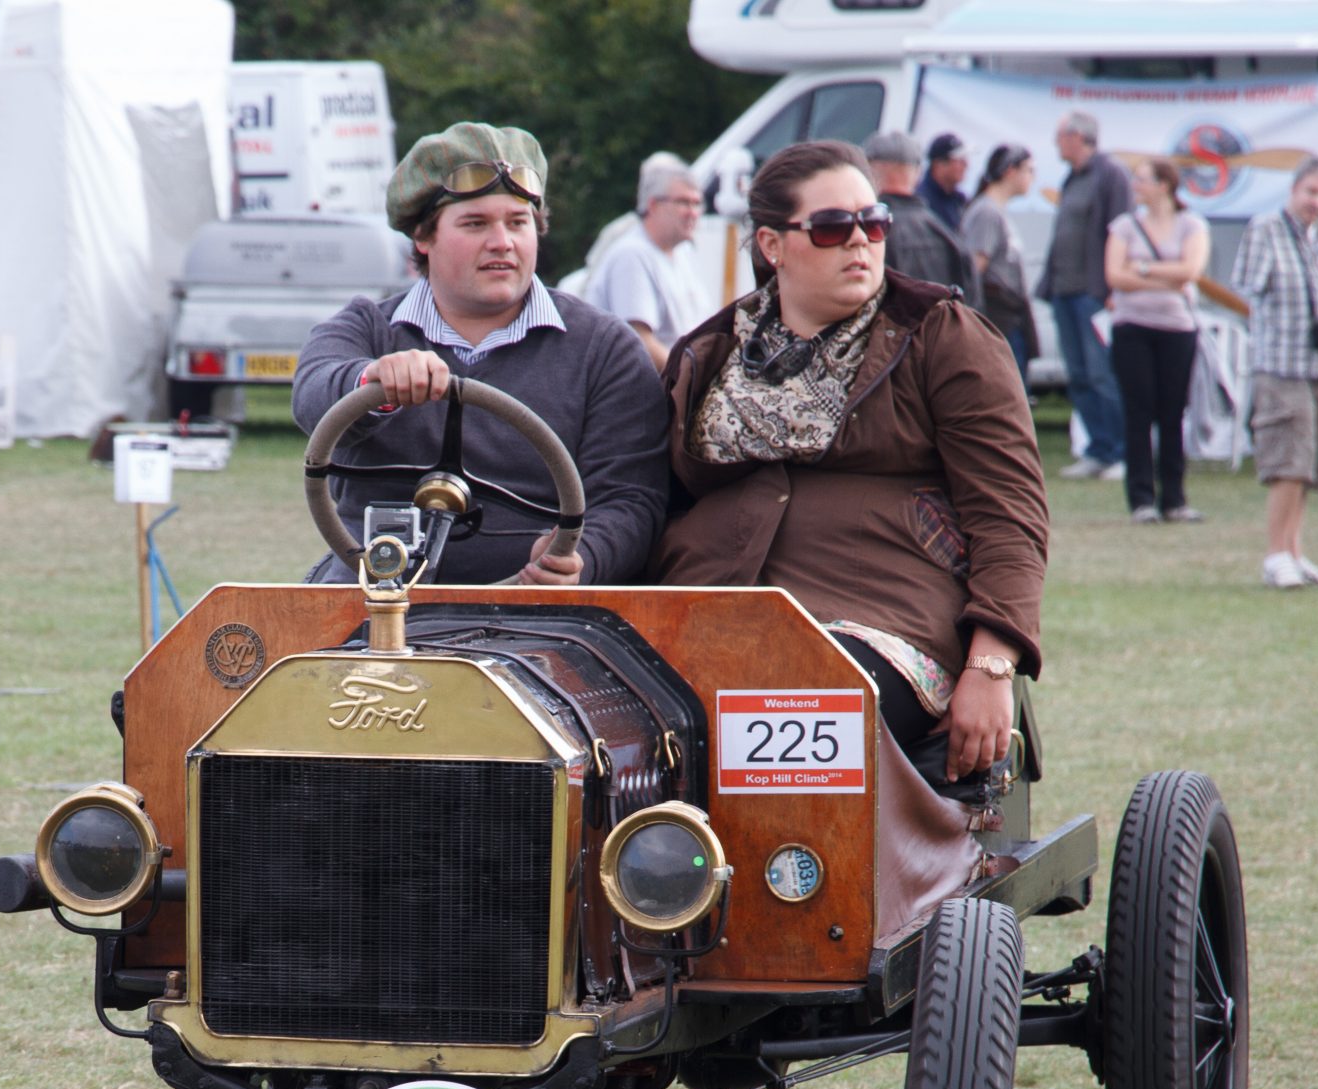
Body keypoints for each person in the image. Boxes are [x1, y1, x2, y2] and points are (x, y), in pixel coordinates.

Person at [647, 140, 1046, 790]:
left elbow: (1010, 514)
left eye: (874, 222)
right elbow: (657, 505)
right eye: (834, 227)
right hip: (707, 611)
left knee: (795, 697)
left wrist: (992, 665)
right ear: (773, 246)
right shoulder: (707, 354)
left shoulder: (941, 334)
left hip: (882, 618)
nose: (860, 241)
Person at [292, 122, 669, 585]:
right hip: (369, 598)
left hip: (537, 620)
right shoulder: (366, 329)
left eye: (517, 222)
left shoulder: (605, 349)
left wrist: (580, 557)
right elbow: (313, 396)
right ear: (422, 239)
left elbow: (632, 497)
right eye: (475, 224)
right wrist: (375, 381)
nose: (502, 243)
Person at [1233, 156, 1318, 588]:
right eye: (1311, 192)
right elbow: (1248, 284)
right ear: (1293, 190)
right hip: (1282, 364)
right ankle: (1275, 554)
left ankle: (1296, 552)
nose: (1317, 202)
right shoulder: (1266, 229)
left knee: (1312, 462)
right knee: (1288, 461)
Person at [1104, 157, 1209, 523]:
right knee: (1138, 413)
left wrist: (1144, 269)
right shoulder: (1124, 226)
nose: (1136, 184)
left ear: (1164, 185)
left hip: (1177, 329)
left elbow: (1191, 271)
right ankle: (1142, 499)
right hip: (1132, 326)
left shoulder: (1191, 224)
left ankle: (1174, 499)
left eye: (1143, 179)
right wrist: (1168, 277)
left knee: (1172, 413)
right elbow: (1116, 276)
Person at [1038, 110, 1131, 481]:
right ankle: (1098, 449)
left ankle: (1123, 453)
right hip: (1065, 293)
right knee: (1077, 375)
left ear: (1078, 137)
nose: (1056, 143)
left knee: (1102, 374)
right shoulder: (1071, 178)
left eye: (1060, 136)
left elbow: (1120, 232)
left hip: (1093, 294)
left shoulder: (1111, 175)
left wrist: (1112, 287)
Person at [586, 151, 709, 369]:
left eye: (697, 204)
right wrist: (692, 377)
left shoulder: (681, 255)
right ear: (653, 205)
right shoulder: (632, 255)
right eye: (683, 202)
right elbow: (640, 343)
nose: (693, 213)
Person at [861, 130, 981, 312]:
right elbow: (973, 312)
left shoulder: (862, 233)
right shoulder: (949, 236)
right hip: (941, 338)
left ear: (867, 170)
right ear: (917, 172)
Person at [962, 144, 1039, 385]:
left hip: (1009, 317)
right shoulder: (986, 212)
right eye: (1029, 170)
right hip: (997, 318)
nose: (1032, 177)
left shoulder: (996, 210)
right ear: (1009, 171)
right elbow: (974, 272)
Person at [923, 133, 973, 230]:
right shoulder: (922, 200)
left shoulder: (960, 201)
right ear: (939, 164)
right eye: (960, 160)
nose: (966, 165)